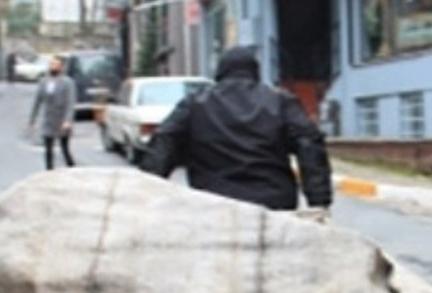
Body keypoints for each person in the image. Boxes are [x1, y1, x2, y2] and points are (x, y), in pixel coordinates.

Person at [139, 46, 333, 211]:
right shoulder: (280, 101)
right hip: (273, 201)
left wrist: (147, 194)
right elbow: (309, 142)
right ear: (255, 71)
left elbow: (165, 140)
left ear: (220, 72)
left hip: (212, 202)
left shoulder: (195, 104)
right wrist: (319, 200)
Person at [27, 56, 75, 170]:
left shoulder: (68, 82)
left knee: (65, 149)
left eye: (56, 65)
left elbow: (70, 103)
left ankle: (73, 170)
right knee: (48, 149)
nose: (53, 67)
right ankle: (49, 172)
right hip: (48, 120)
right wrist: (32, 120)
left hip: (62, 119)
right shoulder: (44, 81)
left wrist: (68, 120)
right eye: (51, 64)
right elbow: (37, 101)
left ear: (61, 67)